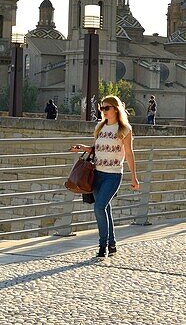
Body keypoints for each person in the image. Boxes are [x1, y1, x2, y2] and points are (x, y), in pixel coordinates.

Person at [69, 95, 139, 258]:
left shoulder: (124, 129)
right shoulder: (100, 127)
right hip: (97, 174)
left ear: (116, 109)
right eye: (102, 108)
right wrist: (84, 148)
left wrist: (134, 176)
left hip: (113, 175)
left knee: (99, 207)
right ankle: (112, 243)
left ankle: (102, 245)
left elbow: (129, 153)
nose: (104, 111)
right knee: (105, 208)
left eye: (106, 108)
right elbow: (97, 148)